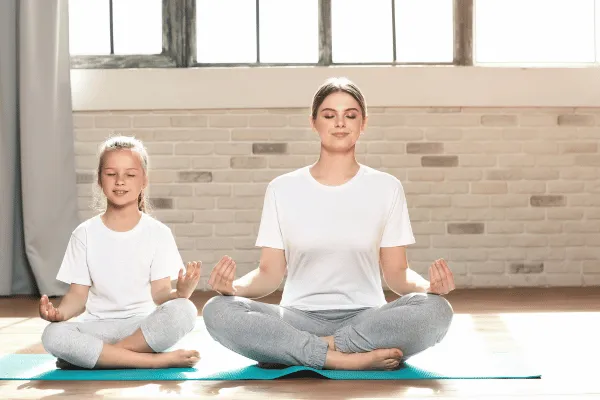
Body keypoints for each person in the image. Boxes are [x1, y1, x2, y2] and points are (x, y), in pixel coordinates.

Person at [202, 77, 456, 371]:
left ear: (363, 123)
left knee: (437, 311)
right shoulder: (281, 188)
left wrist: (430, 288)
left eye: (350, 115)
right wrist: (232, 287)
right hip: (297, 318)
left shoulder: (387, 187)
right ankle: (344, 358)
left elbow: (397, 273)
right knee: (217, 310)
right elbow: (269, 273)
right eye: (329, 115)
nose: (340, 123)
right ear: (314, 123)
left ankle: (316, 350)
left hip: (366, 320)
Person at [40, 135, 201, 370]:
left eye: (130, 174)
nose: (120, 182)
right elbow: (77, 297)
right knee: (52, 335)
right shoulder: (84, 234)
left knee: (185, 310)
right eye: (111, 174)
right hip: (98, 327)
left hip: (141, 329)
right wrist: (59, 313)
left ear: (144, 180)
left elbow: (160, 295)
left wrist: (181, 293)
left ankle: (100, 358)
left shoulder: (158, 233)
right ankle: (153, 361)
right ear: (99, 179)